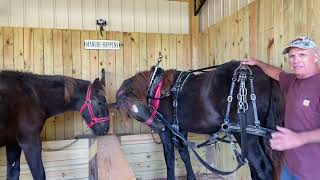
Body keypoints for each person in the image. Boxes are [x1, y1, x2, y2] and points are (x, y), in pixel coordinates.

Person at [243, 37, 320, 180]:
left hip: (313, 172)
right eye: (292, 56)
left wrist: (299, 138)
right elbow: (276, 73)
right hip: (290, 167)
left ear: (315, 56)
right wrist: (258, 63)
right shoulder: (292, 81)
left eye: (302, 55)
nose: (295, 60)